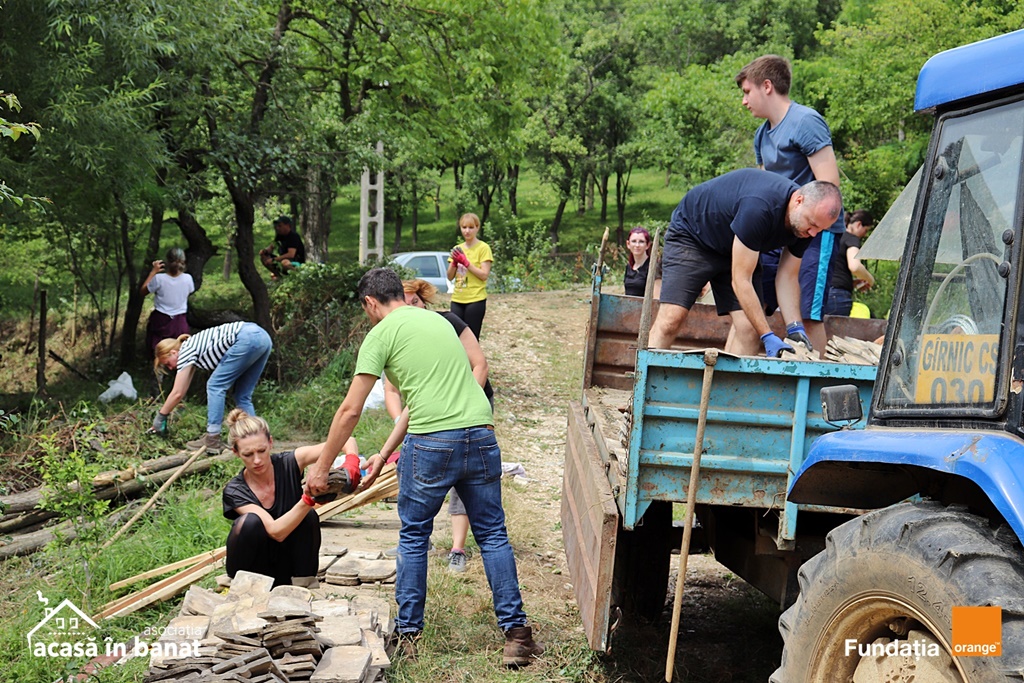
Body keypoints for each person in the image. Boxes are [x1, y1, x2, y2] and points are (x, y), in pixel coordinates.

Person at [307, 268, 543, 668]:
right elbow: (435, 396)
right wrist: (383, 453)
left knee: (415, 534)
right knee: (493, 535)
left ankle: (410, 635)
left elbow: (350, 410)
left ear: (369, 302)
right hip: (481, 433)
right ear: (400, 292)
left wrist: (321, 468)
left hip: (433, 442)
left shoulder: (381, 334)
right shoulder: (438, 321)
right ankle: (518, 635)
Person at [648, 169, 842, 357]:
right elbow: (741, 280)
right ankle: (642, 386)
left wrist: (795, 327)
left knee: (749, 330)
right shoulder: (760, 206)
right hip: (694, 238)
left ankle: (723, 390)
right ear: (799, 200)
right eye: (813, 225)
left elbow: (787, 277)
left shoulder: (806, 226)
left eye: (820, 229)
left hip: (736, 247)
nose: (813, 234)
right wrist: (768, 335)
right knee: (672, 319)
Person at [382, 279, 494, 574]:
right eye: (403, 302)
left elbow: (479, 365)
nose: (410, 307)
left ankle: (457, 548)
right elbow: (392, 391)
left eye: (414, 301)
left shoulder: (447, 323)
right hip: (423, 417)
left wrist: (459, 404)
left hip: (467, 413)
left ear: (424, 300)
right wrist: (401, 424)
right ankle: (419, 542)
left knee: (465, 483)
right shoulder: (398, 333)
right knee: (414, 477)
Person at [736, 55, 844, 355]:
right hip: (779, 230)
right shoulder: (762, 135)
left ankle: (816, 392)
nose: (744, 101)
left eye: (747, 91)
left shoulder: (805, 122)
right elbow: (762, 188)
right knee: (757, 308)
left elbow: (829, 184)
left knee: (806, 315)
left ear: (766, 86)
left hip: (815, 231)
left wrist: (807, 222)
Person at [221, 408, 360, 588]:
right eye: (248, 454)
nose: (257, 460)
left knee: (309, 517)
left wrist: (351, 463)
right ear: (236, 452)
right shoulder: (235, 490)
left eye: (261, 451)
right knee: (249, 523)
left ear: (270, 443)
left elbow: (347, 440)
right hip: (252, 571)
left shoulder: (290, 462)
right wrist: (308, 499)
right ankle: (242, 587)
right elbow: (275, 532)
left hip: (288, 567)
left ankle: (303, 584)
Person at [151, 321, 273, 453]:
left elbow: (177, 393)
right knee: (242, 395)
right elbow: (182, 389)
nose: (171, 368)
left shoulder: (185, 351)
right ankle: (256, 438)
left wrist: (160, 417)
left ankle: (213, 438)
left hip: (246, 338)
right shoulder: (192, 347)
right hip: (263, 337)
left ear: (173, 353)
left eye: (168, 363)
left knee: (215, 386)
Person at [141, 247, 194, 357]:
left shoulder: (159, 279)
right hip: (179, 321)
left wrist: (153, 272)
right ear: (183, 262)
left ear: (167, 262)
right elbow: (190, 291)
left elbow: (143, 291)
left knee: (159, 352)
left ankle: (159, 372)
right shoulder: (188, 279)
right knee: (180, 351)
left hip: (161, 320)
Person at [446, 213, 492, 340]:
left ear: (477, 228)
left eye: (471, 227)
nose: (467, 231)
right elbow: (450, 276)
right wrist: (454, 263)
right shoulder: (457, 248)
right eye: (464, 227)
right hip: (457, 299)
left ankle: (473, 360)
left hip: (475, 299)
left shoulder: (483, 248)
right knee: (456, 337)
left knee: (471, 337)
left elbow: (484, 275)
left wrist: (466, 263)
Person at [824, 210, 875, 316]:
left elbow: (835, 270)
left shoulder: (832, 236)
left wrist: (850, 282)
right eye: (865, 230)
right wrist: (870, 279)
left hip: (819, 292)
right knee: (836, 332)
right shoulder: (851, 238)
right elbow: (855, 266)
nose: (864, 235)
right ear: (859, 224)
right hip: (837, 297)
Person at [260, 215, 306, 279]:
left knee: (285, 263)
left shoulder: (293, 236)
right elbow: (272, 247)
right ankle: (279, 276)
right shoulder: (279, 236)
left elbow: (291, 254)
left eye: (280, 226)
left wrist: (274, 260)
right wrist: (265, 251)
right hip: (282, 260)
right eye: (277, 226)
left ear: (287, 225)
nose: (278, 228)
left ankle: (297, 277)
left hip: (295, 262)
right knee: (264, 257)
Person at [624, 227, 652, 297]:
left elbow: (656, 299)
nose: (637, 245)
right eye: (634, 241)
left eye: (641, 242)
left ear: (647, 245)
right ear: (628, 244)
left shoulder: (653, 267)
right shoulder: (628, 267)